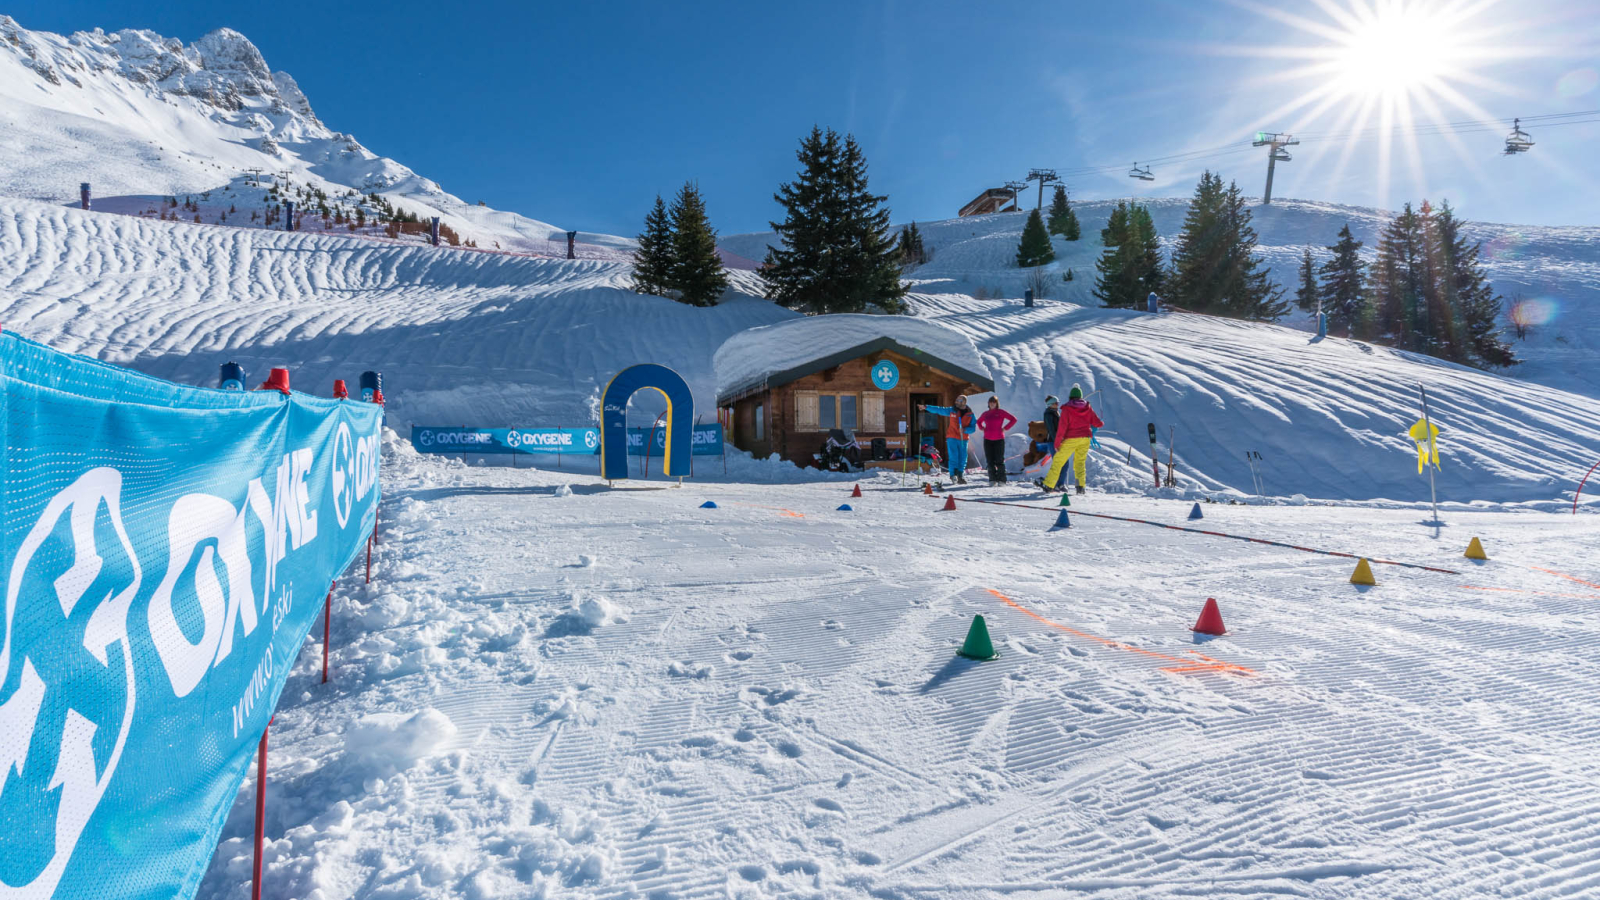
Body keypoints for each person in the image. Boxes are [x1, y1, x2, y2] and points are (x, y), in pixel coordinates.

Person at [1041, 384, 1103, 494]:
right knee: (1080, 463)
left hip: (1071, 439)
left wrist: (1057, 443)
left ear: (1070, 397)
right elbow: (1098, 423)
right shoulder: (1088, 408)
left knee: (1058, 461)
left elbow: (1062, 428)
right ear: (1081, 396)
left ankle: (1049, 485)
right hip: (1085, 438)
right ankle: (1080, 487)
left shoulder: (1067, 409)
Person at [919, 396, 977, 484]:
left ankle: (960, 475)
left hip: (963, 439)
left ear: (964, 402)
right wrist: (926, 407)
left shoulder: (970, 414)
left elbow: (973, 428)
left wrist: (965, 430)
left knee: (963, 457)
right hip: (952, 437)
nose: (956, 401)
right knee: (954, 456)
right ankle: (953, 475)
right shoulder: (952, 410)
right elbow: (939, 410)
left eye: (959, 400)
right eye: (956, 399)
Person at [976, 397, 1017, 484]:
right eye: (990, 402)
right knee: (990, 460)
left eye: (994, 402)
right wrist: (981, 428)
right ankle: (992, 479)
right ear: (988, 403)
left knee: (999, 460)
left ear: (997, 403)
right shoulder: (985, 414)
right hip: (987, 440)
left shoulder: (1001, 412)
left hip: (999, 439)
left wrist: (1005, 428)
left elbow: (1013, 419)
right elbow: (978, 421)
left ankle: (1001, 480)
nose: (992, 404)